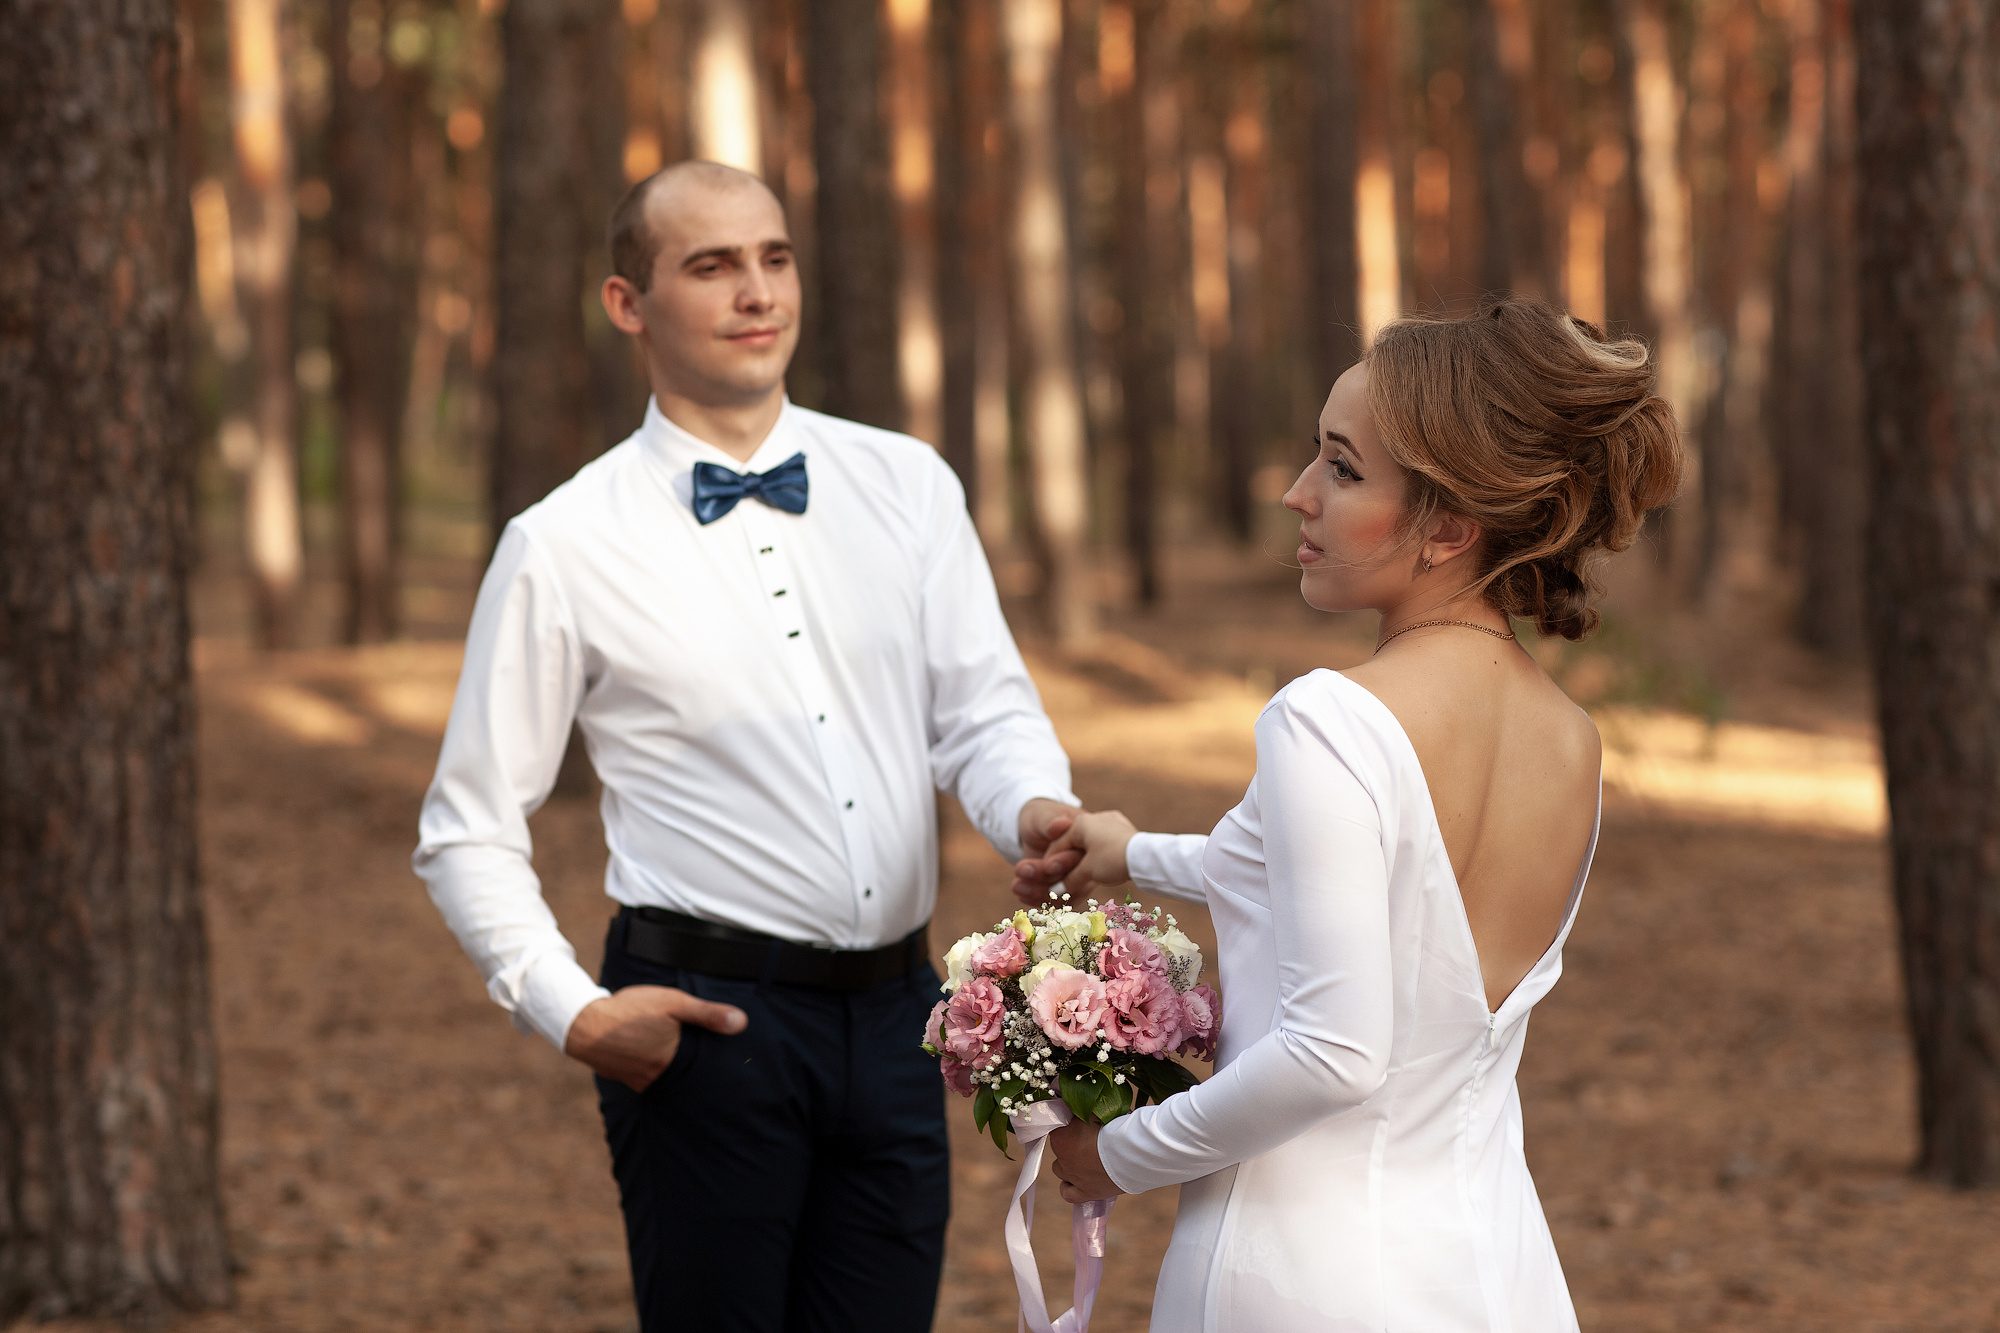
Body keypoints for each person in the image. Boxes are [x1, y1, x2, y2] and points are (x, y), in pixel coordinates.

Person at [414, 160, 1083, 1333]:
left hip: (896, 1020)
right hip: (702, 1029)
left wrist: (1027, 802)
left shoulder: (906, 483)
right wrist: (572, 1010)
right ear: (629, 302)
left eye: (772, 257)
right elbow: (466, 823)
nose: (755, 291)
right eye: (711, 264)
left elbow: (981, 708)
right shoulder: (562, 542)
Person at [1020, 300, 1683, 1331]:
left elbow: (1334, 1051)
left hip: (1302, 1272)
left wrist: (1115, 1153)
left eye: (1339, 468)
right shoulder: (1567, 738)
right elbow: (1388, 893)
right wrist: (1129, 852)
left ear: (1450, 527)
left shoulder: (1328, 719)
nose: (1295, 495)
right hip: (1492, 1266)